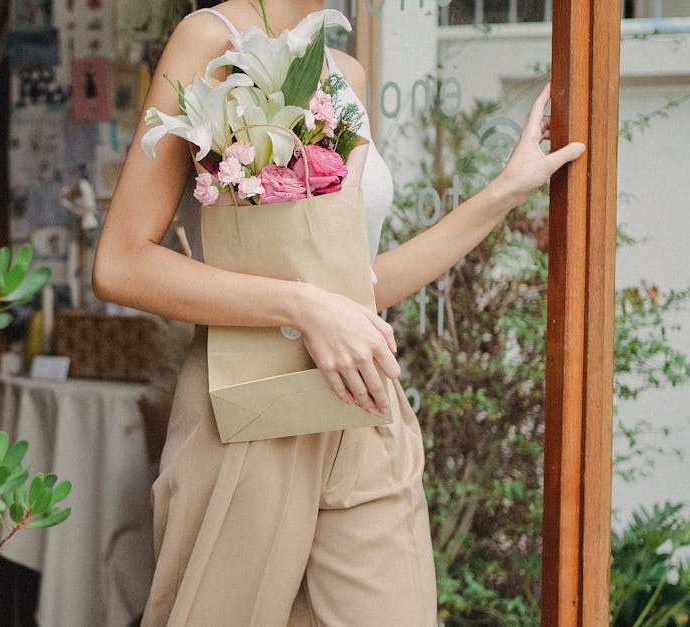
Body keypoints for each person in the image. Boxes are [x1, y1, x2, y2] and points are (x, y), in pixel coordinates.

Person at [90, 1, 586, 625]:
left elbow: (359, 286)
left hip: (359, 404)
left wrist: (502, 193)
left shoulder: (345, 72)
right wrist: (304, 306)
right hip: (246, 409)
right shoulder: (209, 40)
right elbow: (121, 263)